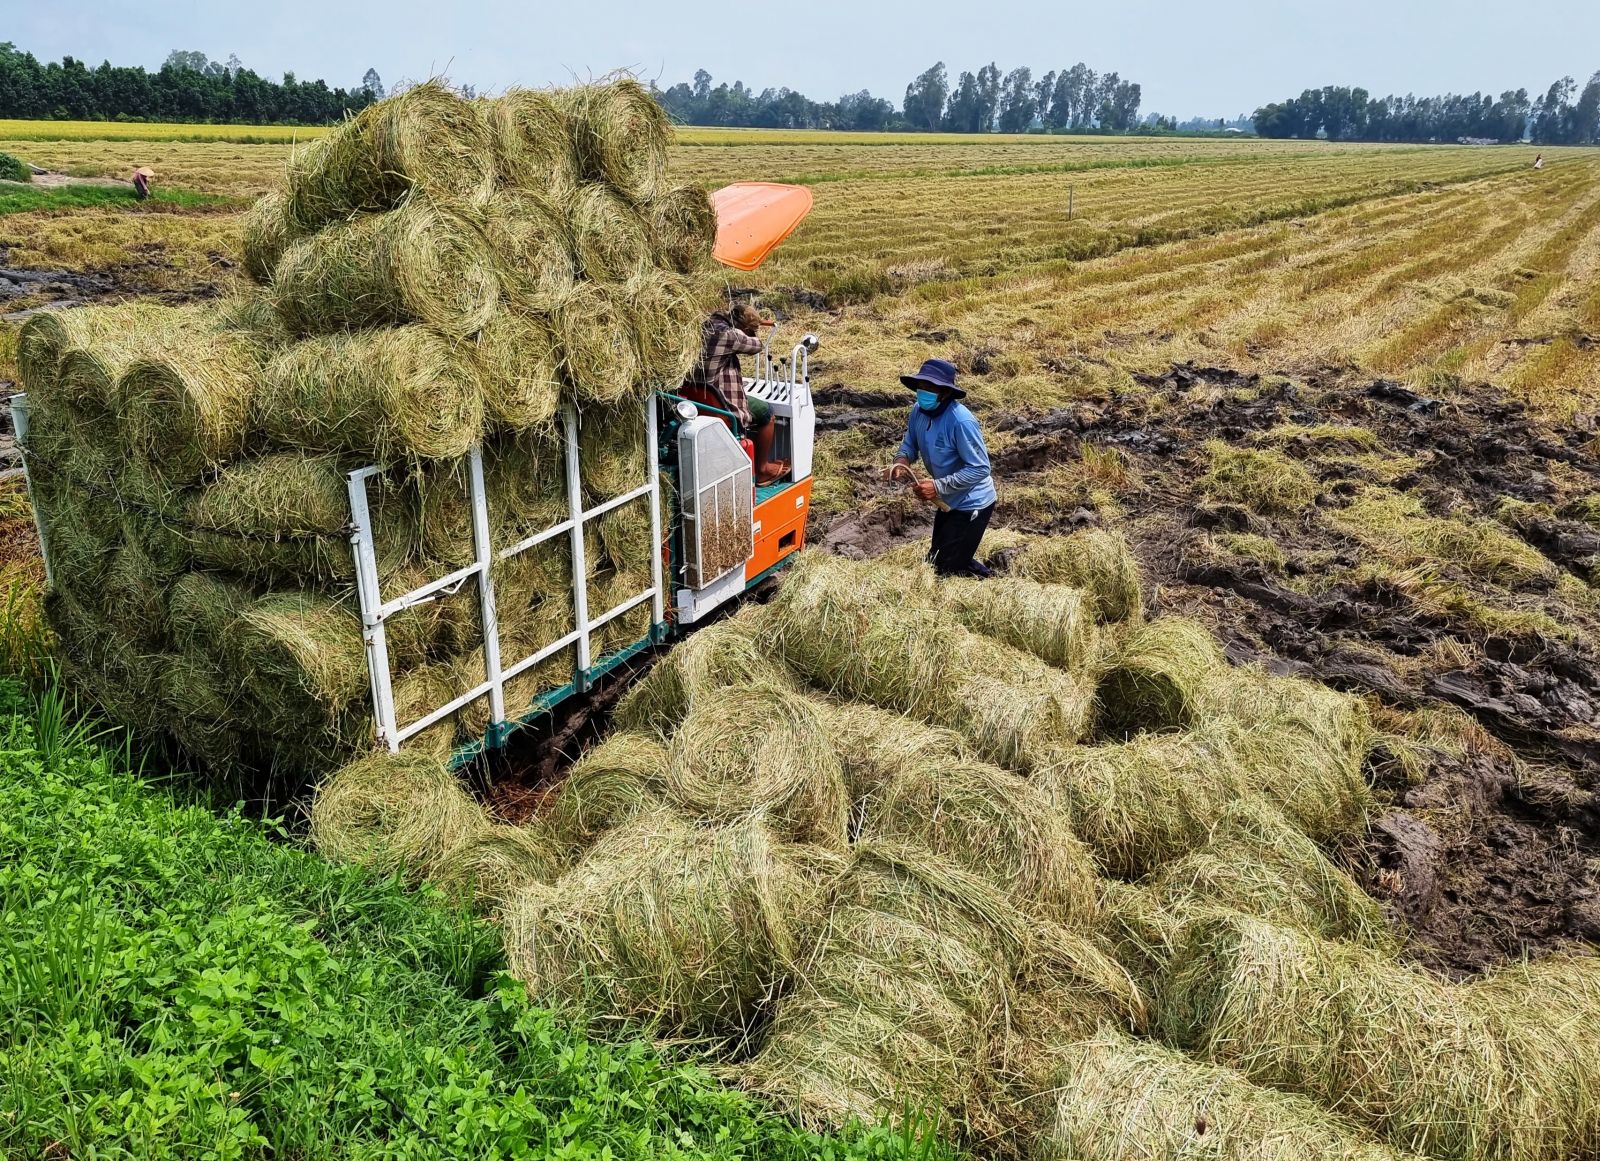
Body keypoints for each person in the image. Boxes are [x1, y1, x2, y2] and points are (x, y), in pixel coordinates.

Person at [887, 358, 996, 578]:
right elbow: (910, 443)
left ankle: (990, 582)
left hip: (972, 502)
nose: (923, 392)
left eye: (930, 388)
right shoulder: (918, 411)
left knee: (948, 569)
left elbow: (980, 468)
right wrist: (901, 460)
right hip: (948, 500)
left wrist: (937, 486)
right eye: (921, 387)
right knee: (938, 559)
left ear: (945, 392)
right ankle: (964, 564)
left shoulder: (961, 422)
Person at [685, 302, 788, 484]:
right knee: (767, 413)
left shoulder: (701, 327)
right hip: (723, 404)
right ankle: (762, 469)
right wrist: (752, 328)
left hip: (697, 401)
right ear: (743, 326)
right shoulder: (729, 335)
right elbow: (757, 346)